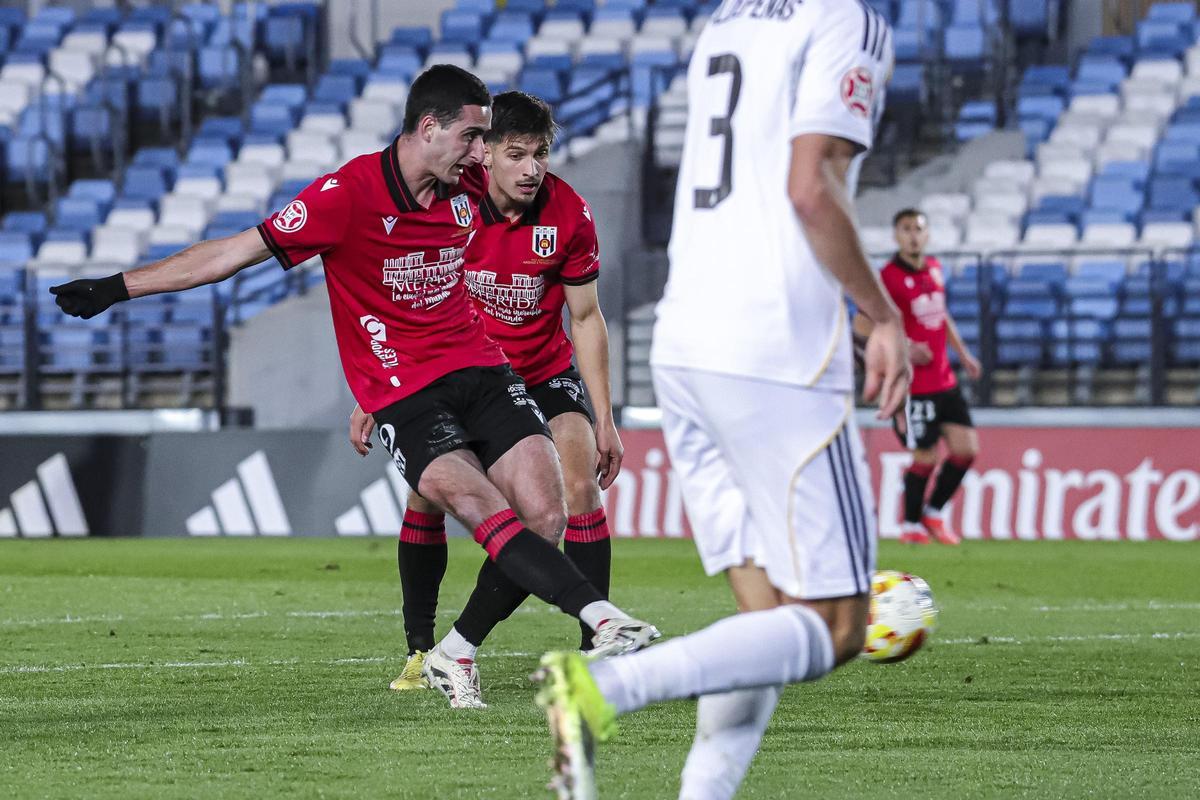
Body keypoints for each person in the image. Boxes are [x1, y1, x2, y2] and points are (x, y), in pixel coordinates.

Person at [50, 65, 657, 712]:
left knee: (547, 510)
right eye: (477, 138)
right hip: (406, 390)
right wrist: (119, 287)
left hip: (482, 369)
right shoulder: (346, 197)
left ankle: (457, 650)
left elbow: (530, 190)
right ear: (430, 130)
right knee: (473, 502)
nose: (487, 155)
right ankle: (591, 621)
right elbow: (232, 253)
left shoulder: (474, 181)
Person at [533, 1, 910, 797]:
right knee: (835, 626)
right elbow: (811, 188)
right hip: (775, 349)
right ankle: (601, 689)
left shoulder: (728, 18)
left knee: (765, 622)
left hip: (686, 341)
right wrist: (883, 314)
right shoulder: (850, 19)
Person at [347, 91, 625, 700]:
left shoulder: (569, 214)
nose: (532, 168)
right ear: (485, 153)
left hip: (543, 373)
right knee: (426, 499)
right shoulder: (448, 200)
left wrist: (604, 417)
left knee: (575, 489)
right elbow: (401, 293)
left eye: (542, 154)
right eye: (517, 153)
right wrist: (380, 387)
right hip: (455, 376)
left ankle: (595, 651)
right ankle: (422, 651)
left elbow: (586, 317)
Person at [865, 208, 982, 546]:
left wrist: (963, 354)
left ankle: (934, 512)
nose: (913, 235)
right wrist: (906, 347)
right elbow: (869, 324)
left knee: (966, 450)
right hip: (914, 386)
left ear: (927, 234)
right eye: (906, 229)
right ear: (895, 236)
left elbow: (940, 315)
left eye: (918, 229)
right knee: (926, 457)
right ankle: (911, 525)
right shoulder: (887, 276)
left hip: (944, 381)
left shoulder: (934, 268)